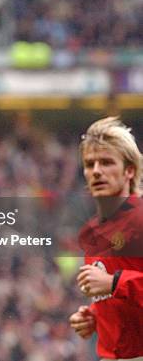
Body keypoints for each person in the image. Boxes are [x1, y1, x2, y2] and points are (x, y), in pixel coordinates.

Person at [69, 116, 143, 361]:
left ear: (129, 170)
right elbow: (122, 302)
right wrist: (95, 317)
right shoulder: (91, 233)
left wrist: (114, 282)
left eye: (107, 162)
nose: (97, 171)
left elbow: (114, 283)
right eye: (90, 164)